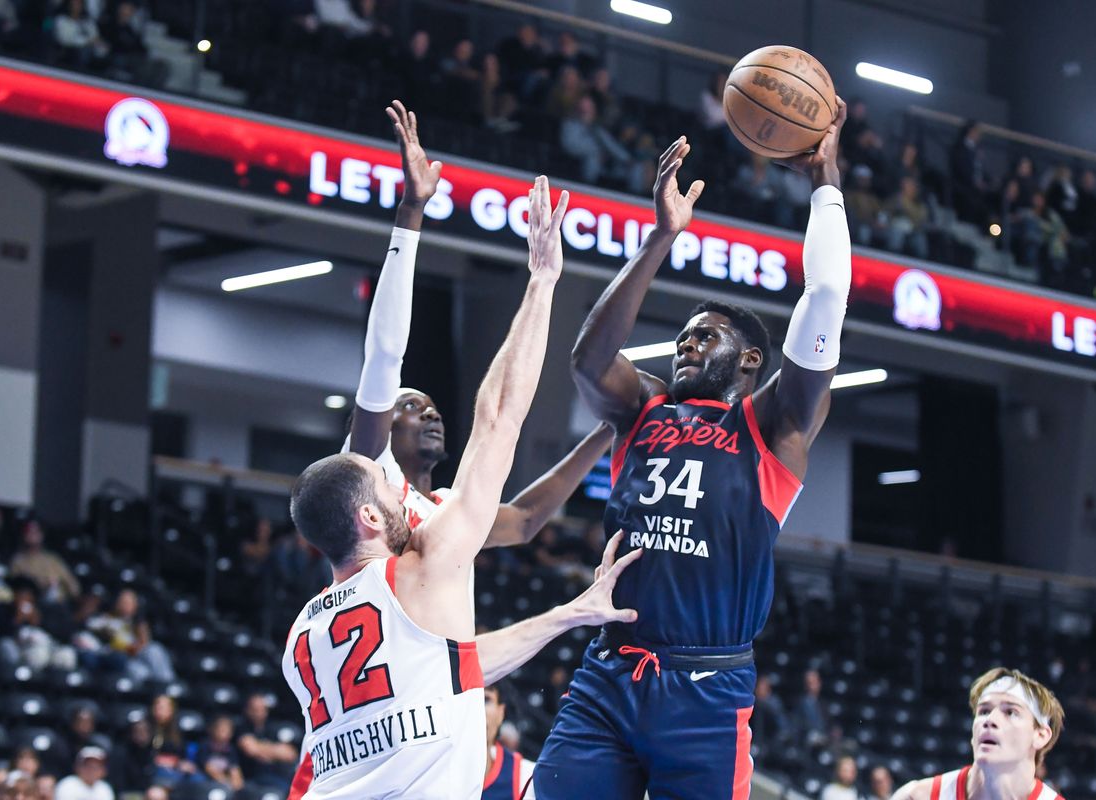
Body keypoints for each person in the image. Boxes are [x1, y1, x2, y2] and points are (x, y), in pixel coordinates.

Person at [282, 174, 641, 799]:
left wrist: (572, 613)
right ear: (370, 511)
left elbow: (458, 666)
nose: (396, 492)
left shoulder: (302, 633)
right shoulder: (422, 557)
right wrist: (542, 281)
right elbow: (496, 416)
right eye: (383, 483)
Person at [535, 99, 852, 799]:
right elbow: (589, 359)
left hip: (707, 688)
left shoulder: (774, 428)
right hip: (610, 675)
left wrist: (826, 184)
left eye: (706, 337)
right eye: (682, 337)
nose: (686, 345)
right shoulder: (643, 409)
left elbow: (827, 294)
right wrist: (659, 240)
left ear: (749, 363)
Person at [342, 100, 612, 544]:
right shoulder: (368, 474)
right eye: (409, 405)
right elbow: (386, 354)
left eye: (429, 406)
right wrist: (412, 209)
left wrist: (608, 428)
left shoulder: (450, 511)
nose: (430, 412)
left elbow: (526, 518)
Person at [892, 667, 1065, 800]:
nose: (990, 719)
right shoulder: (917, 797)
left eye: (1011, 712)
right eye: (984, 711)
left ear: (1040, 735)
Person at [482, 683, 535, 799]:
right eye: (467, 700)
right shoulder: (434, 776)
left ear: (501, 712)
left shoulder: (526, 778)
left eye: (485, 699)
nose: (476, 709)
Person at [235, 694, 297, 791]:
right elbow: (251, 749)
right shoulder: (242, 727)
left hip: (276, 775)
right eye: (255, 709)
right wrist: (275, 750)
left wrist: (260, 748)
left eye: (262, 709)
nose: (259, 713)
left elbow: (290, 754)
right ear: (247, 710)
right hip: (251, 777)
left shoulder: (272, 727)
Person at [191, 717, 242, 792]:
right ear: (213, 730)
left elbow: (234, 769)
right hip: (206, 779)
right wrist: (226, 782)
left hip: (225, 781)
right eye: (222, 730)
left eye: (227, 731)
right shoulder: (205, 746)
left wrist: (237, 782)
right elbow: (208, 768)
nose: (225, 733)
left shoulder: (230, 749)